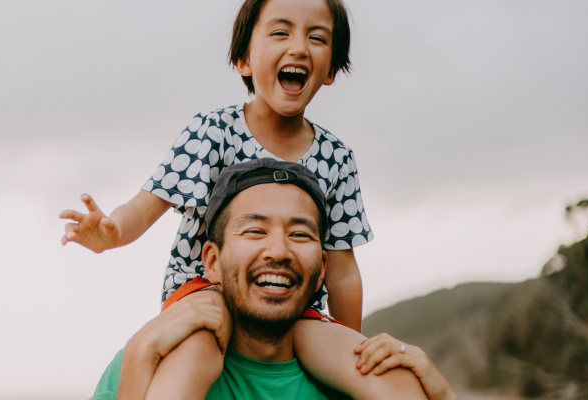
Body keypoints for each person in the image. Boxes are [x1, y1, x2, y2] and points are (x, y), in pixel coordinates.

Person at [62, 0, 374, 398]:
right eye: (281, 32)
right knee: (199, 348)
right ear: (244, 60)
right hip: (203, 288)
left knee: (353, 362)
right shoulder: (212, 130)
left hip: (290, 301)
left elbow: (343, 269)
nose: (299, 47)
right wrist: (113, 233)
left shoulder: (337, 156)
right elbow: (146, 204)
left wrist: (353, 344)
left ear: (330, 69)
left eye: (316, 38)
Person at [89, 160, 458, 400]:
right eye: (254, 231)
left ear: (322, 271)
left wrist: (442, 396)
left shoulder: (357, 382)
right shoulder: (143, 368)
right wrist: (140, 357)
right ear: (212, 263)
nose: (278, 251)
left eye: (300, 235)